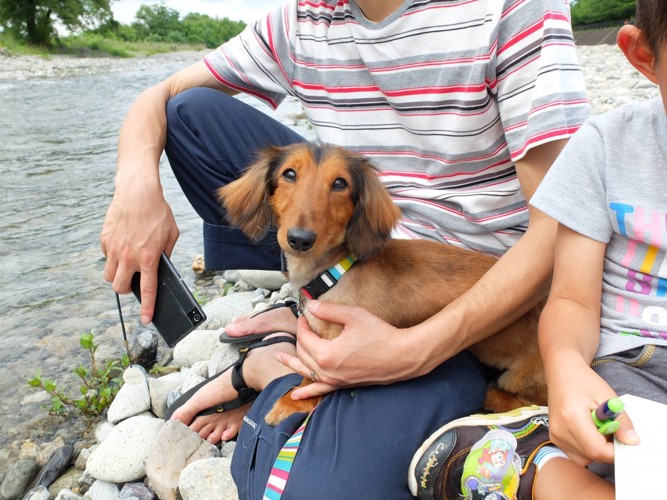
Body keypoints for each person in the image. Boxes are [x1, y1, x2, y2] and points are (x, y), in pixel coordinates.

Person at [101, 1, 590, 497]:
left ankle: (277, 357)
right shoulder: (304, 17)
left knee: (317, 489)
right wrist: (136, 185)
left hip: (481, 294)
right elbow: (159, 96)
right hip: (348, 242)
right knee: (190, 113)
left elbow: (567, 223)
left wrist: (411, 352)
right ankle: (308, 304)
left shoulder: (510, 9)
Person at [410, 1, 667, 497]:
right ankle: (534, 461)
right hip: (637, 364)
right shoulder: (605, 147)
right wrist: (567, 369)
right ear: (644, 56)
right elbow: (571, 299)